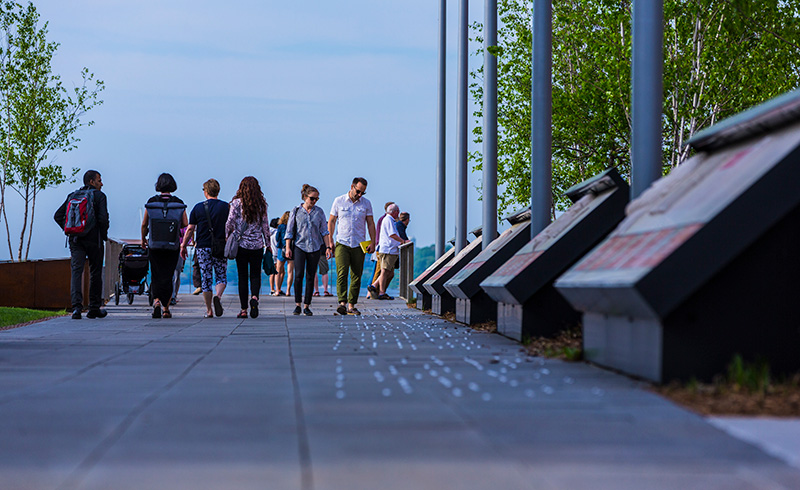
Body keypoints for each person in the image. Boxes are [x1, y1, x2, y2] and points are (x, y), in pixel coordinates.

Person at [53, 170, 110, 319]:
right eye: (99, 180)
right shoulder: (99, 196)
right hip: (94, 239)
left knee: (76, 272)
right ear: (91, 181)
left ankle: (76, 308)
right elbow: (103, 219)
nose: (101, 183)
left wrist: (70, 230)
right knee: (95, 272)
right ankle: (93, 308)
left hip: (75, 240)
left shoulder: (73, 195)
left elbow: (58, 215)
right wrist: (103, 235)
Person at [180, 179, 229, 318]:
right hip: (220, 246)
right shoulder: (226, 207)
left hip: (202, 247)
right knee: (221, 275)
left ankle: (209, 311)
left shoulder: (198, 208)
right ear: (218, 191)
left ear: (206, 191)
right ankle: (218, 297)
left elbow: (190, 229)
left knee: (206, 278)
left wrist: (184, 245)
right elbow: (231, 226)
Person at [142, 173, 188, 319]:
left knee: (155, 274)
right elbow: (186, 224)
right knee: (168, 276)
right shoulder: (179, 203)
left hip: (154, 245)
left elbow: (144, 224)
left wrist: (143, 239)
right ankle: (166, 308)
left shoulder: (151, 202)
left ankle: (156, 301)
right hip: (172, 245)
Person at [328, 177, 376, 315]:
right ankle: (342, 302)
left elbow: (371, 223)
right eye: (358, 191)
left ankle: (351, 305)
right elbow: (331, 221)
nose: (360, 194)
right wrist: (330, 240)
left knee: (356, 275)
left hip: (359, 244)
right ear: (352, 186)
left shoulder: (366, 203)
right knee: (342, 273)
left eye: (363, 192)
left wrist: (373, 242)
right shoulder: (339, 201)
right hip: (342, 242)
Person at [226, 176, 271, 319]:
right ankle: (255, 298)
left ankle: (244, 309)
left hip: (241, 246)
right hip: (257, 245)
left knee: (242, 277)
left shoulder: (236, 203)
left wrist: (228, 237)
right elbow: (265, 226)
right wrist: (268, 244)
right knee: (255, 275)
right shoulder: (261, 205)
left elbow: (229, 222)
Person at [285, 184, 333, 316]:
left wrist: (328, 247)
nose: (314, 201)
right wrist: (288, 248)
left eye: (317, 199)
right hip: (300, 246)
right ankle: (297, 305)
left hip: (315, 247)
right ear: (305, 197)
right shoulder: (296, 211)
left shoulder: (319, 212)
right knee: (298, 275)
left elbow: (324, 231)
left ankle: (307, 305)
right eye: (312, 198)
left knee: (311, 276)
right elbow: (289, 232)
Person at [374, 203, 408, 300]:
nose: (398, 213)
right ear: (395, 212)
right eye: (398, 211)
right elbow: (392, 234)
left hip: (390, 250)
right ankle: (381, 292)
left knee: (389, 272)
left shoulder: (390, 220)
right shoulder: (389, 220)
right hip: (388, 250)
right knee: (385, 271)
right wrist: (403, 241)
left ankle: (375, 286)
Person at [368, 201, 394, 299]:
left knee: (385, 271)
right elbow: (390, 235)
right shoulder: (386, 219)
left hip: (382, 248)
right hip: (383, 249)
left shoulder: (384, 219)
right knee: (380, 270)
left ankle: (376, 290)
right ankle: (374, 292)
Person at [274, 211, 293, 296]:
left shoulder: (281, 226)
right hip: (292, 250)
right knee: (290, 271)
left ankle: (277, 290)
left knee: (278, 270)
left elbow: (277, 237)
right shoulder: (293, 227)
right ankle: (288, 290)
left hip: (281, 249)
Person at [269, 217, 279, 295]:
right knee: (277, 272)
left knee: (272, 272)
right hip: (276, 253)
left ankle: (272, 289)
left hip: (270, 253)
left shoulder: (269, 233)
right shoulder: (276, 233)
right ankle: (276, 289)